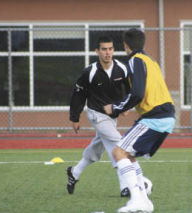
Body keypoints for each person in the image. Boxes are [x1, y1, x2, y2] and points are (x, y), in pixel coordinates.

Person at [66, 35, 152, 197]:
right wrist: (75, 118)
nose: (107, 53)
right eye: (104, 49)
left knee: (95, 151)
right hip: (96, 114)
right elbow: (78, 95)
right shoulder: (89, 72)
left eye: (110, 49)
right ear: (97, 51)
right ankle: (126, 186)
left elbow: (129, 88)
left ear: (113, 50)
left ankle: (74, 173)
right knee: (119, 146)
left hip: (112, 116)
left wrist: (126, 105)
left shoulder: (122, 68)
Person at [104, 28, 175, 213]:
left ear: (125, 45)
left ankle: (136, 200)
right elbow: (141, 91)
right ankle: (144, 200)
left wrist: (117, 108)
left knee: (118, 152)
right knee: (128, 154)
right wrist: (125, 105)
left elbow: (137, 93)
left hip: (155, 117)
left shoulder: (135, 60)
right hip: (163, 115)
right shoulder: (151, 61)